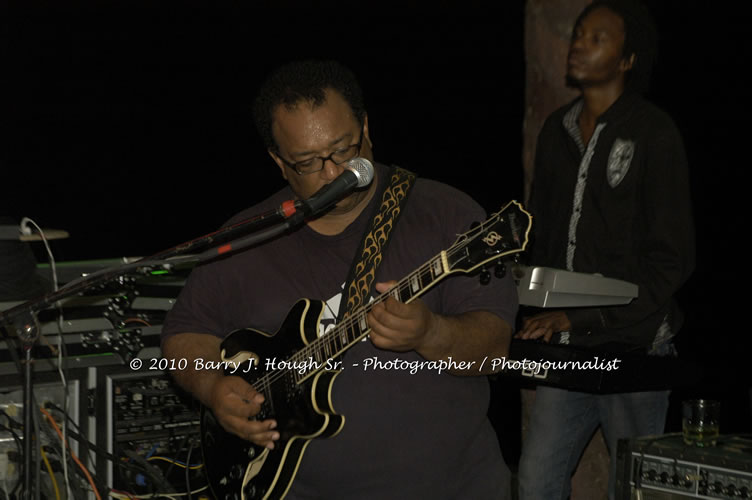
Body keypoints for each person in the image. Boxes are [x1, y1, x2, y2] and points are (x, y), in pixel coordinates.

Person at [161, 60, 518, 499]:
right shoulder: (247, 238)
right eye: (308, 162)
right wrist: (213, 386)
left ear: (366, 128)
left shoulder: (446, 214)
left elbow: (494, 352)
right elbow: (183, 333)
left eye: (344, 150)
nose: (333, 173)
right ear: (279, 162)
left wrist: (432, 333)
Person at [516, 1, 694, 499]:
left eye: (597, 38)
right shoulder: (556, 130)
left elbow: (672, 260)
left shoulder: (653, 132)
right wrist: (522, 289)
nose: (579, 45)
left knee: (634, 488)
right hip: (569, 349)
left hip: (637, 345)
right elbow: (541, 235)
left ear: (627, 59)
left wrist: (580, 316)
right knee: (535, 480)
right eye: (578, 34)